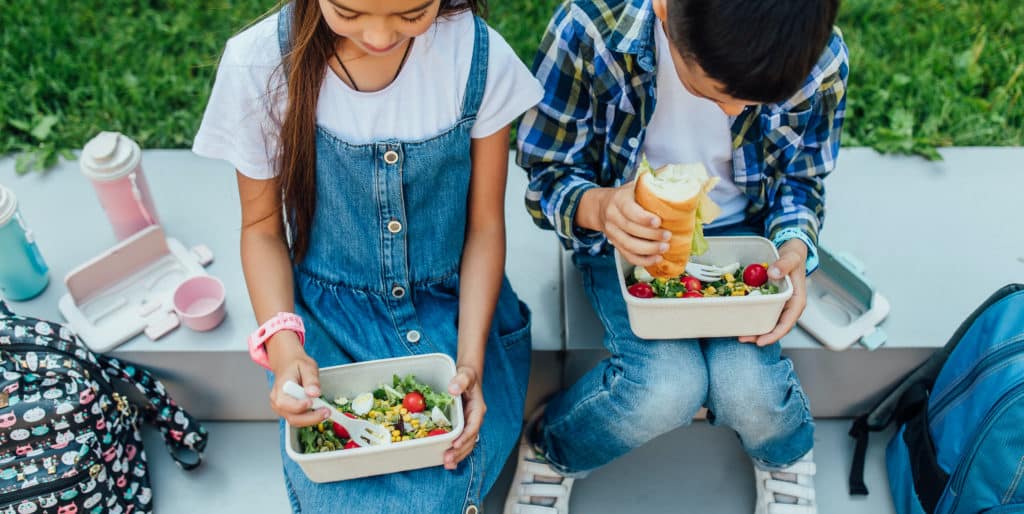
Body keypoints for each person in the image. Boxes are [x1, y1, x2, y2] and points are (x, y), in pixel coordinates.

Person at [192, 1, 543, 511]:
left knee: (445, 470)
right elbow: (263, 230)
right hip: (326, 320)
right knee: (336, 479)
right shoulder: (259, 64)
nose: (379, 36)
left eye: (412, 13)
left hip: (452, 305)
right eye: (350, 12)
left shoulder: (476, 55)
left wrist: (470, 361)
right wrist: (286, 348)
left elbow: (485, 229)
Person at [507, 0, 848, 512]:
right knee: (665, 387)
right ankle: (553, 446)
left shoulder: (815, 58)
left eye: (757, 102)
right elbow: (548, 173)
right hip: (625, 232)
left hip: (746, 231)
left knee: (748, 389)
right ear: (665, 11)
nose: (735, 112)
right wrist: (599, 207)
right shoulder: (590, 31)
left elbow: (801, 180)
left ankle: (784, 456)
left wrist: (795, 242)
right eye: (719, 94)